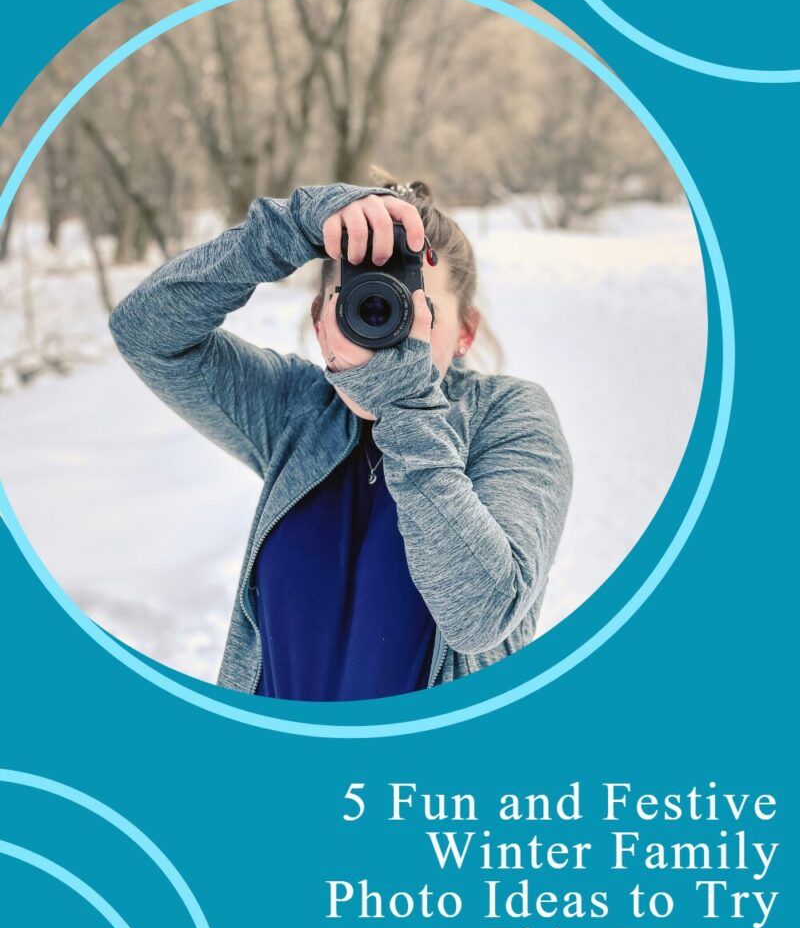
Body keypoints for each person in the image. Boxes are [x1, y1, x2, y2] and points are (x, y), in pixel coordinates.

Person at [109, 170, 573, 701]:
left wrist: (405, 403)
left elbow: (484, 613)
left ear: (465, 332)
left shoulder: (508, 416)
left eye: (418, 312)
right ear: (321, 318)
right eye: (362, 303)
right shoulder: (296, 408)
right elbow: (144, 331)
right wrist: (286, 232)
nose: (385, 327)